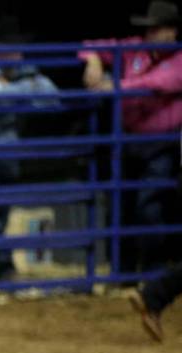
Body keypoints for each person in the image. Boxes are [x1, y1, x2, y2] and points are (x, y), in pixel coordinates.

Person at [80, 1, 182, 276]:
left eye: (156, 29)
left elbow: (160, 82)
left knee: (149, 207)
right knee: (121, 206)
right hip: (127, 140)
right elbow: (89, 45)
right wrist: (92, 59)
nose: (150, 35)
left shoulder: (179, 59)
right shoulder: (132, 48)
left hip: (163, 143)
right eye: (148, 29)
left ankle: (152, 273)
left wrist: (114, 86)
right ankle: (123, 272)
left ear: (172, 32)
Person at [0, 19, 59, 282]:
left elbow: (52, 97)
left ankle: (1, 268)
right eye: (9, 48)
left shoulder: (21, 70)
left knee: (1, 213)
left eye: (18, 48)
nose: (15, 54)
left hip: (6, 152)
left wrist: (18, 90)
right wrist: (27, 91)